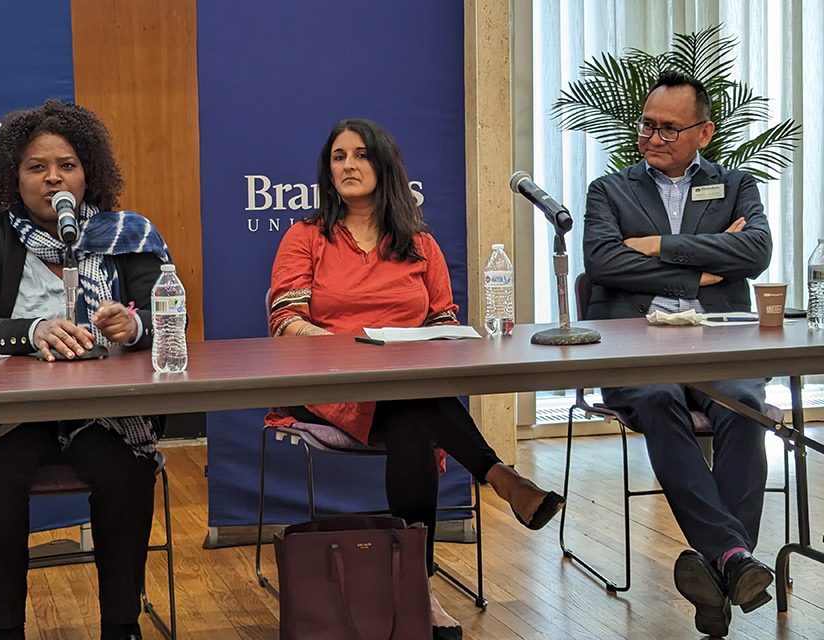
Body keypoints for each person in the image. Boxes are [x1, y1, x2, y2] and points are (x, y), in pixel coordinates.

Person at [269, 118, 565, 639]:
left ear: (385, 166)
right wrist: (353, 352)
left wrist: (430, 344)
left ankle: (416, 589)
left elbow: (443, 318)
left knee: (411, 421)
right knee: (415, 410)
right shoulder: (305, 235)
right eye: (338, 157)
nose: (348, 165)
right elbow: (286, 319)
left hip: (405, 387)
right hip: (328, 384)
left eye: (360, 155)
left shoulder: (418, 241)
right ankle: (499, 478)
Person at [0, 99, 171, 640]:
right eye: (35, 167)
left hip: (104, 415)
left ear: (88, 171)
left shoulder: (128, 237)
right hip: (9, 416)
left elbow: (168, 326)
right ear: (12, 178)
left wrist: (133, 330)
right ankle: (3, 630)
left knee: (125, 471)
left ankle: (121, 625)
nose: (52, 179)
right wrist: (31, 331)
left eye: (66, 165)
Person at [583, 72, 774, 637]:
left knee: (743, 402)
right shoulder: (609, 191)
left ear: (704, 133)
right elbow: (603, 262)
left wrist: (660, 247)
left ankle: (716, 564)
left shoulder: (738, 186)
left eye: (668, 127)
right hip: (634, 347)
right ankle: (735, 557)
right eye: (647, 124)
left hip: (718, 342)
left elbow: (755, 250)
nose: (652, 136)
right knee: (659, 398)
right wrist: (702, 271)